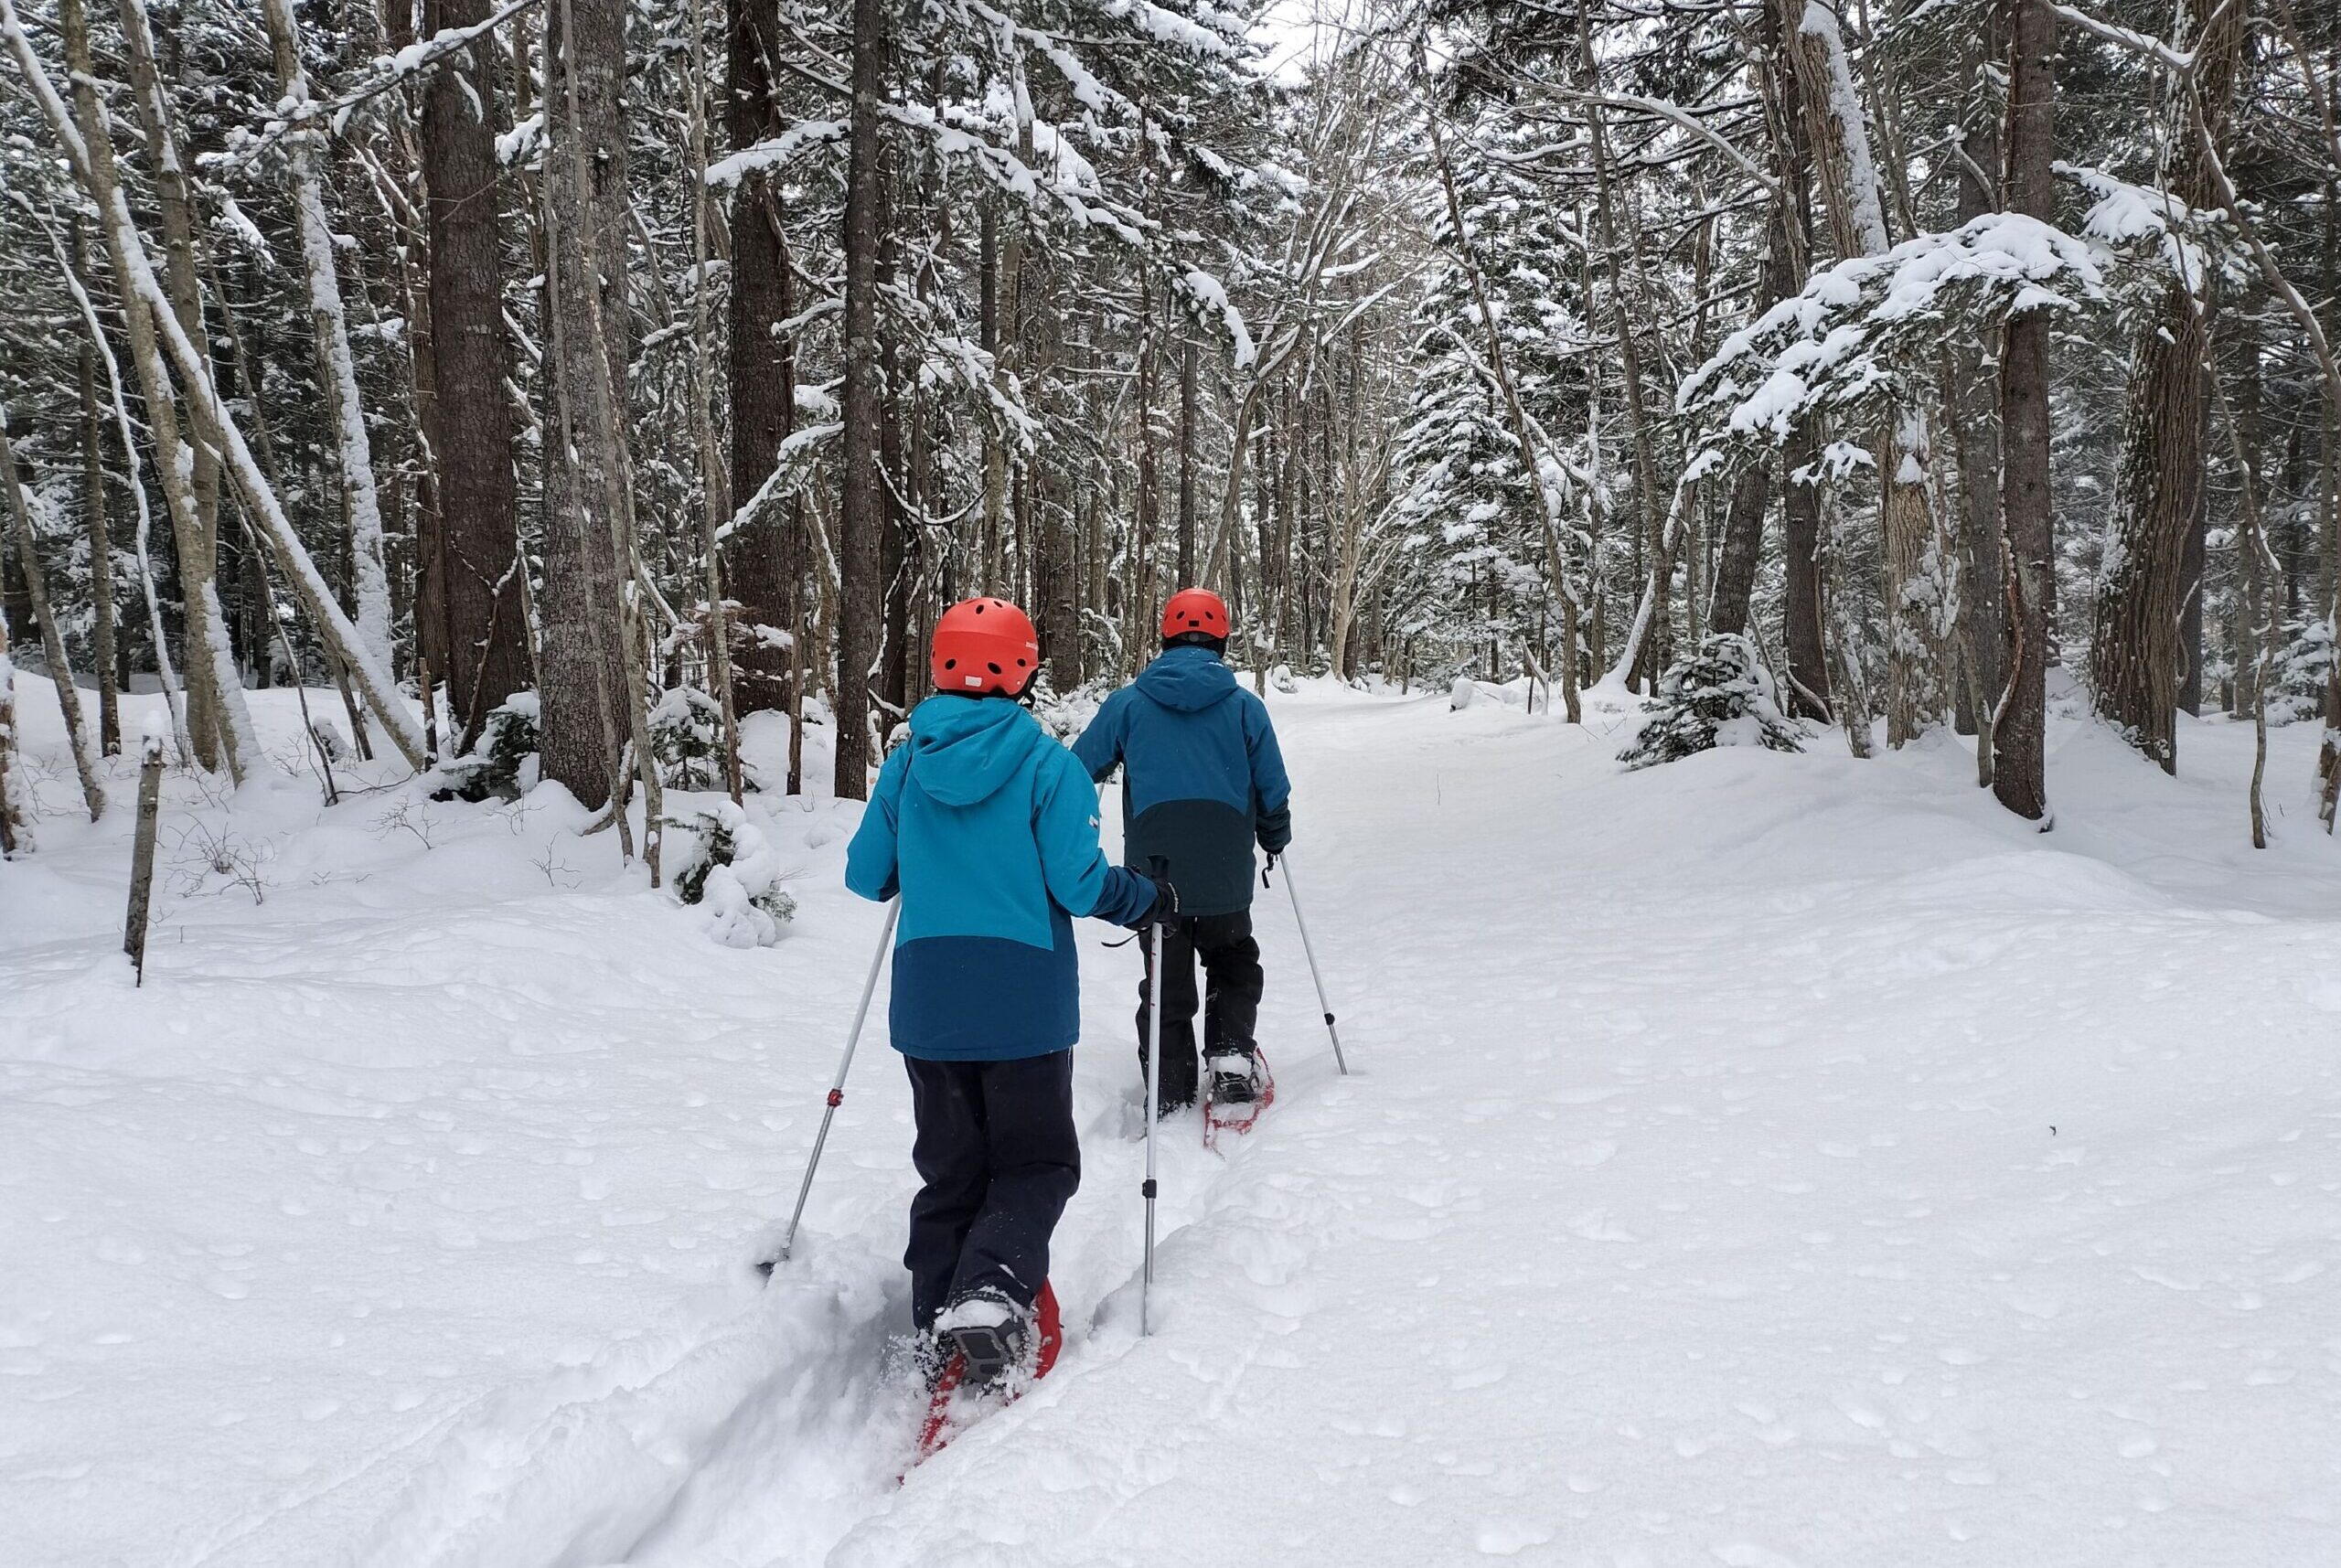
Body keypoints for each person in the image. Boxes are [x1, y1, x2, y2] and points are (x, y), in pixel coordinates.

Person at [845, 596, 1170, 1383]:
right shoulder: (1048, 765)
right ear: (1022, 667)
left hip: (929, 1004)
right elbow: (1080, 881)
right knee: (1035, 1162)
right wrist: (1146, 897)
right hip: (1023, 1003)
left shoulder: (907, 762)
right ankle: (991, 1289)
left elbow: (865, 874)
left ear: (941, 663)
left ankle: (937, 1325)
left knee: (950, 1171)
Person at [1073, 588, 1291, 1116]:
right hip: (1225, 871)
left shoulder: (1127, 703)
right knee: (1233, 958)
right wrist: (1273, 833)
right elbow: (1272, 786)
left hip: (1154, 878)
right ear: (1222, 640)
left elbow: (1077, 769)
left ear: (1165, 638)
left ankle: (1168, 1087)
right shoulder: (1244, 707)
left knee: (1165, 976)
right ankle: (1232, 1061)